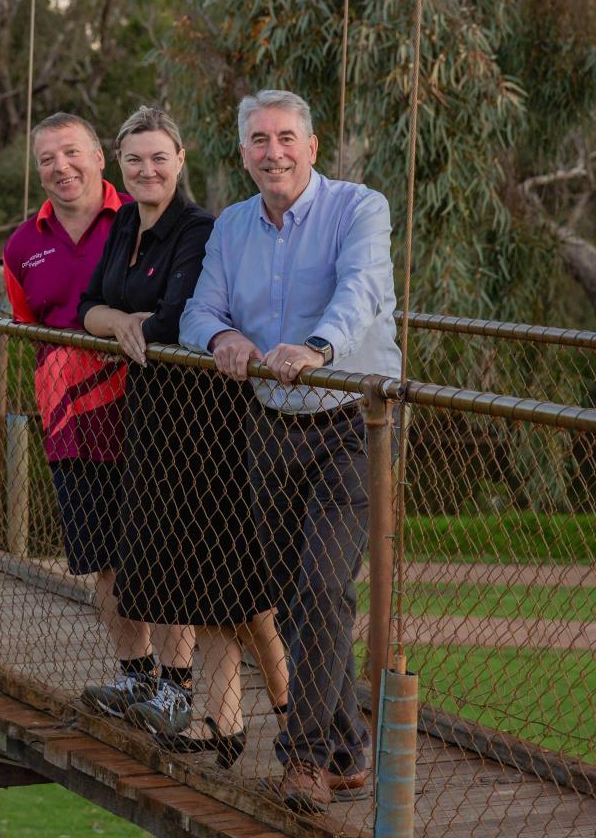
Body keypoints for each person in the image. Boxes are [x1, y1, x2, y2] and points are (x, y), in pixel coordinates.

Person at [180, 89, 401, 812]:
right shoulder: (234, 226)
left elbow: (363, 287)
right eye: (257, 140)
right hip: (270, 424)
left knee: (321, 587)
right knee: (296, 600)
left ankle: (303, 760)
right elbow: (200, 309)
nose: (271, 152)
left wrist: (316, 348)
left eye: (284, 138)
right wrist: (224, 340)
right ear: (243, 151)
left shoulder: (359, 208)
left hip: (351, 423)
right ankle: (346, 748)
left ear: (311, 146)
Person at [77, 107, 289, 768]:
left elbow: (172, 321)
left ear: (181, 159)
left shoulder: (199, 228)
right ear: (121, 165)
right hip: (152, 418)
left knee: (229, 582)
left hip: (206, 425)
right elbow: (90, 306)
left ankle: (295, 720)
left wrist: (134, 323)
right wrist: (116, 320)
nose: (147, 170)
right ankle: (221, 723)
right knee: (191, 577)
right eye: (135, 159)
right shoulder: (120, 223)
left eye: (158, 158)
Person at [1, 113, 156, 710]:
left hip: (147, 418)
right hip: (70, 428)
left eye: (71, 153)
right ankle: (135, 677)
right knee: (104, 562)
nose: (60, 168)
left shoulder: (143, 219)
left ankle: (178, 687)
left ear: (100, 157)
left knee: (158, 551)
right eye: (47, 159)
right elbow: (28, 324)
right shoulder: (21, 246)